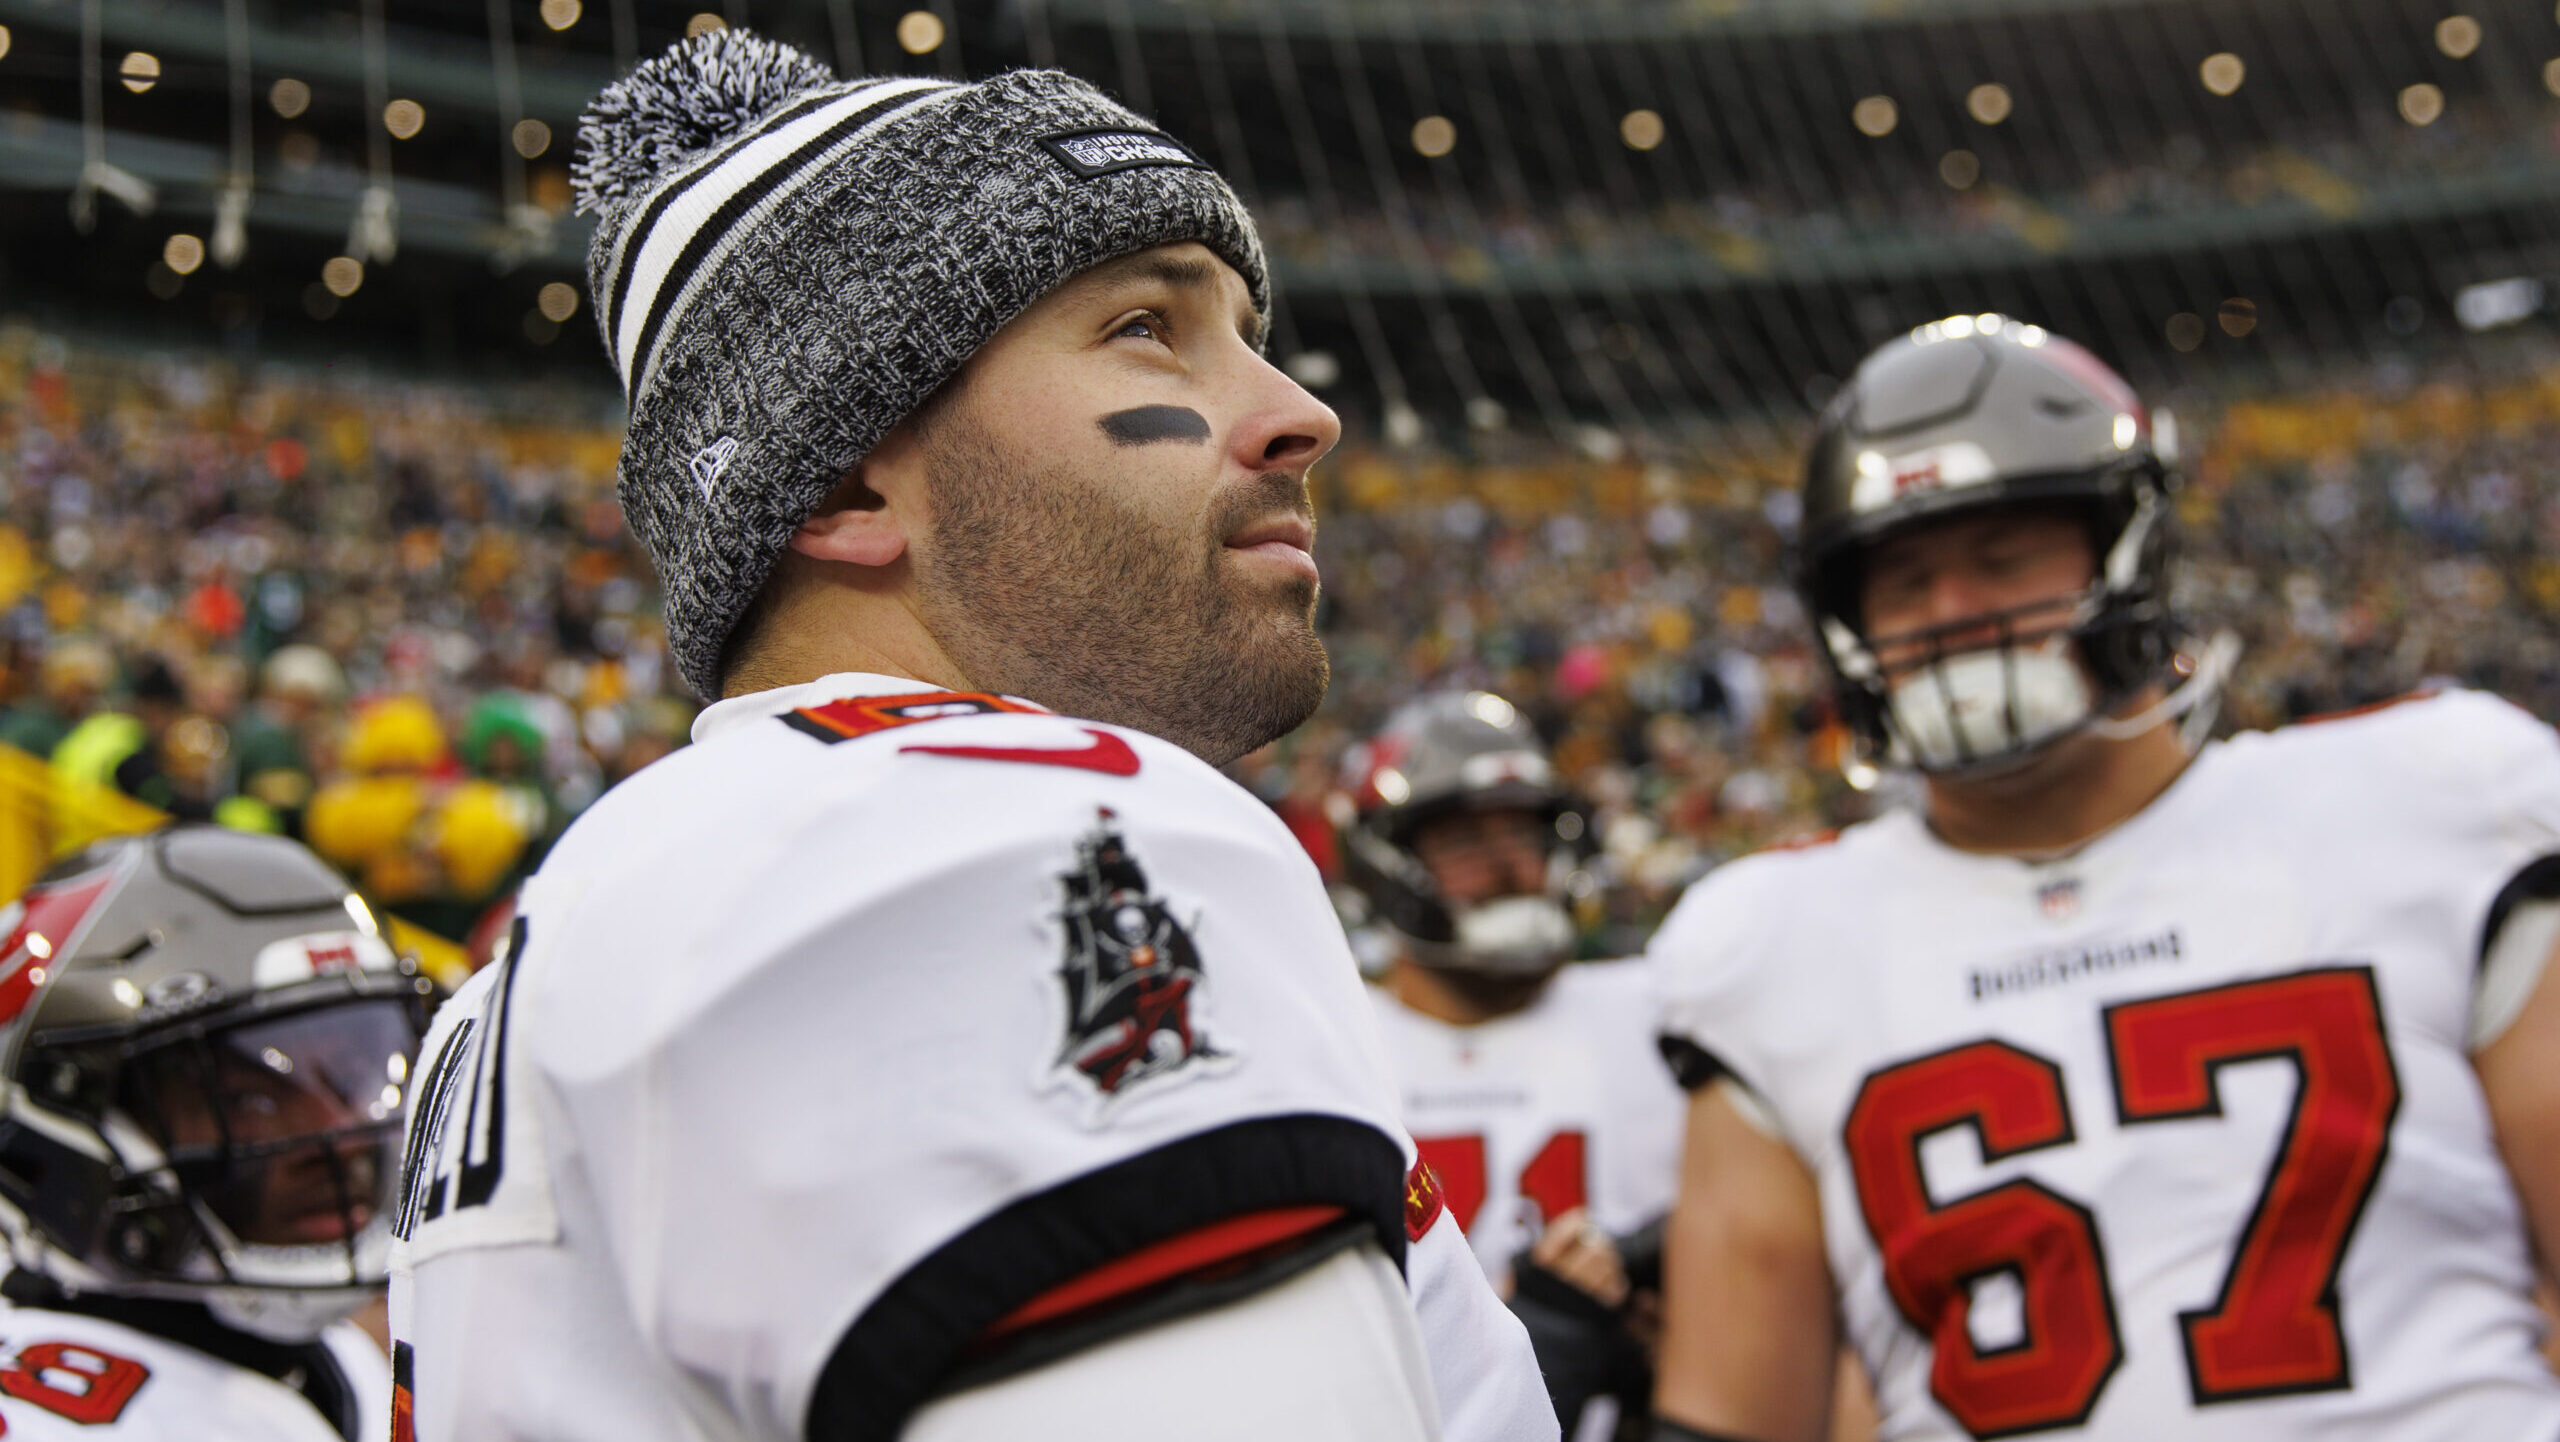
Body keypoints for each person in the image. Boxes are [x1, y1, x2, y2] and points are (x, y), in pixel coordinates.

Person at [389, 30, 1552, 1442]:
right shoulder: (1008, 828)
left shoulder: (584, 924)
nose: (1302, 413)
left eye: (1249, 333)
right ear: (841, 483)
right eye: (1147, 326)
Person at [1646, 314, 2560, 1441]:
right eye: (1906, 578)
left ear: (2129, 548)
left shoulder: (2435, 798)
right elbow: (1737, 1418)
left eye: (2002, 557)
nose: (1953, 614)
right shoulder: (1767, 942)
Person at [0, 826, 428, 1438]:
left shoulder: (333, 1363)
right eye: (249, 1097)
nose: (345, 1133)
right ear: (62, 1118)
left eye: (353, 1070)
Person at [1340, 690, 1686, 1440]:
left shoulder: (1659, 1008)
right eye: (1463, 840)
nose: (1507, 866)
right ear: (1388, 863)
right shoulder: (1335, 1040)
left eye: (1522, 835)